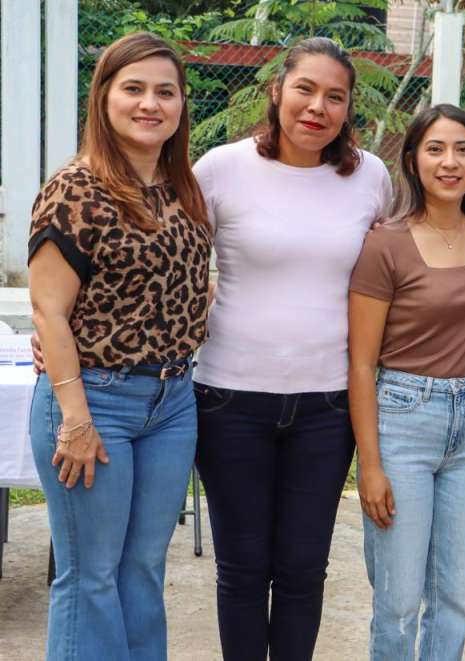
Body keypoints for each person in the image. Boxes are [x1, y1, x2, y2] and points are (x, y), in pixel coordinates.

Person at [190, 37, 391, 660]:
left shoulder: (371, 176)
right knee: (242, 570)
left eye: (335, 97)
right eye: (305, 89)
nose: (317, 108)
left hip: (328, 406)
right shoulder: (220, 168)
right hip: (230, 400)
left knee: (304, 569)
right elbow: (168, 264)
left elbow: (395, 272)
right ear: (277, 90)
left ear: (349, 108)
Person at [27, 31, 211, 660]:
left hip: (172, 402)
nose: (150, 104)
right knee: (91, 577)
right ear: (103, 97)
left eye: (166, 91)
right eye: (134, 88)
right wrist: (74, 418)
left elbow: (178, 285)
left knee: (142, 571)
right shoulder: (74, 188)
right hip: (95, 401)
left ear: (182, 103)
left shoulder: (182, 187)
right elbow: (49, 311)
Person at [348, 104, 465, 660]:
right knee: (398, 601)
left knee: (454, 594)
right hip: (404, 420)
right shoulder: (385, 244)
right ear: (412, 161)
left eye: (463, 150)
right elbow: (361, 364)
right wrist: (370, 466)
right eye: (435, 149)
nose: (450, 162)